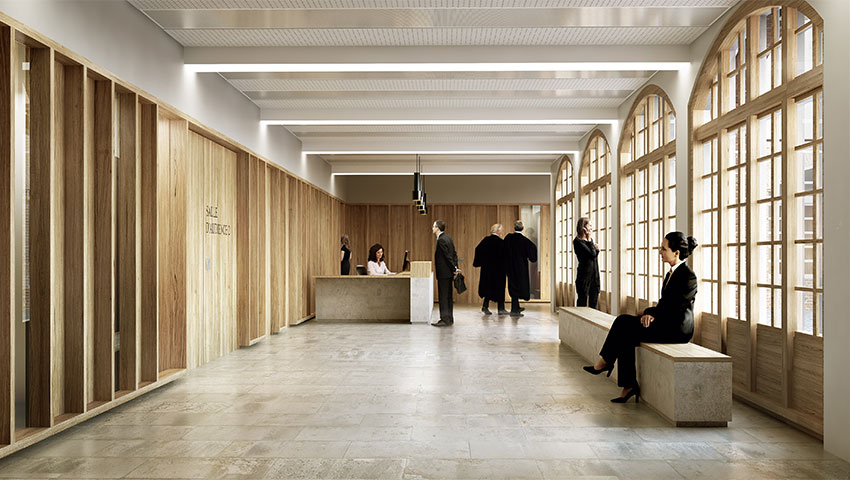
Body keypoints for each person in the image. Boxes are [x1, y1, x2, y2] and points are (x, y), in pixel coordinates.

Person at [583, 232, 698, 403]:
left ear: (676, 253)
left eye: (663, 249)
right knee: (624, 325)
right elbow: (664, 303)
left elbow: (675, 307)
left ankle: (607, 363)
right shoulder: (671, 274)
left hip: (677, 329)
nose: (660, 252)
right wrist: (650, 313)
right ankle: (627, 384)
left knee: (624, 325)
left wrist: (651, 314)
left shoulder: (688, 276)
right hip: (665, 322)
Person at [503, 220, 538, 317]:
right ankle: (514, 310)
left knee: (512, 286)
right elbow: (533, 257)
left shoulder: (508, 238)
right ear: (523, 228)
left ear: (514, 228)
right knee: (519, 286)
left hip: (510, 266)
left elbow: (503, 250)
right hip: (521, 267)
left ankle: (516, 307)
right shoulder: (525, 241)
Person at [473, 224, 507, 315]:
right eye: (501, 230)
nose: (502, 232)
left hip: (487, 269)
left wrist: (481, 262)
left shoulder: (486, 240)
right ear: (497, 231)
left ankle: (485, 306)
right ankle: (501, 308)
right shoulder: (501, 242)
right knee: (499, 288)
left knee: (488, 287)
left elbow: (478, 249)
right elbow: (505, 256)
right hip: (499, 270)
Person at [432, 219, 459, 327]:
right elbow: (454, 254)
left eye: (433, 226)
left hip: (444, 273)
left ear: (437, 228)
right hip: (449, 273)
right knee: (448, 296)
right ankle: (449, 318)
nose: (432, 228)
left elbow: (447, 256)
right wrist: (455, 267)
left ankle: (444, 319)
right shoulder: (448, 238)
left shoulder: (441, 240)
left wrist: (454, 268)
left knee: (443, 297)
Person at [573, 217, 600, 308]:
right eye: (590, 226)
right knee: (582, 302)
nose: (591, 228)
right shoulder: (577, 241)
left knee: (594, 303)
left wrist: (597, 250)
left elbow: (593, 256)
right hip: (584, 277)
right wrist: (589, 240)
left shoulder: (589, 241)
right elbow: (592, 254)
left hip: (594, 276)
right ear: (583, 227)